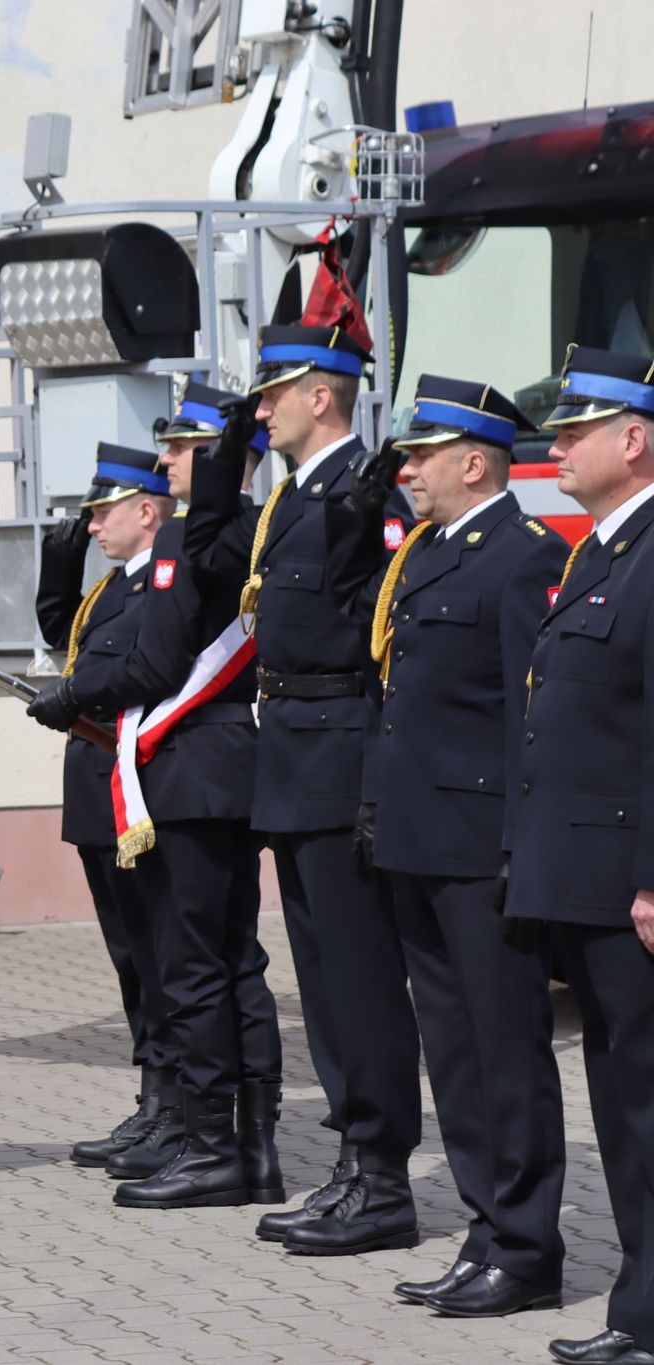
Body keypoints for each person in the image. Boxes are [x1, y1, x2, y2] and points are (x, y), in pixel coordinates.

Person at [183, 325, 423, 1256]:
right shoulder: (290, 497)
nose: (261, 408)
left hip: (341, 748)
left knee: (360, 976)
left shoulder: (365, 492)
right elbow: (211, 557)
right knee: (322, 980)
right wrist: (226, 459)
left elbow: (384, 629)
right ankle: (355, 1162)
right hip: (290, 751)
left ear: (321, 395)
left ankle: (384, 1176)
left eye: (272, 393)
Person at [31, 387, 285, 1210]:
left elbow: (155, 663)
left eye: (181, 448)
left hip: (192, 768)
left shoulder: (195, 536)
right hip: (212, 766)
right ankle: (245, 1145)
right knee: (222, 963)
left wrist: (74, 695)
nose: (165, 460)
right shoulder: (242, 528)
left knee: (195, 966)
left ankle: (212, 1143)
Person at [363, 374, 570, 1317]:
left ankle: (526, 1250)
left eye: (422, 455)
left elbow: (533, 717)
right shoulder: (430, 553)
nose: (407, 470)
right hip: (418, 841)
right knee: (452, 1051)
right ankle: (487, 1233)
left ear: (475, 463)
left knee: (506, 1052)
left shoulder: (522, 556)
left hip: (483, 847)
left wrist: (523, 846)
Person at [505, 347, 654, 1365]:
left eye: (575, 430)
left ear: (633, 439)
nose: (555, 446)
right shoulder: (599, 553)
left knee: (645, 1104)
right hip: (586, 876)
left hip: (628, 879)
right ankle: (639, 1306)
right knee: (621, 1102)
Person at [31, 444, 181, 1176]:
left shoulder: (165, 582)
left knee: (159, 954)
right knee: (129, 958)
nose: (91, 526)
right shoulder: (113, 588)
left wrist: (77, 695)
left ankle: (177, 1104)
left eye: (101, 513)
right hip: (97, 789)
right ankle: (153, 1098)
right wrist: (57, 566)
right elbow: (65, 639)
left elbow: (137, 670)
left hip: (140, 790)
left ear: (146, 511)